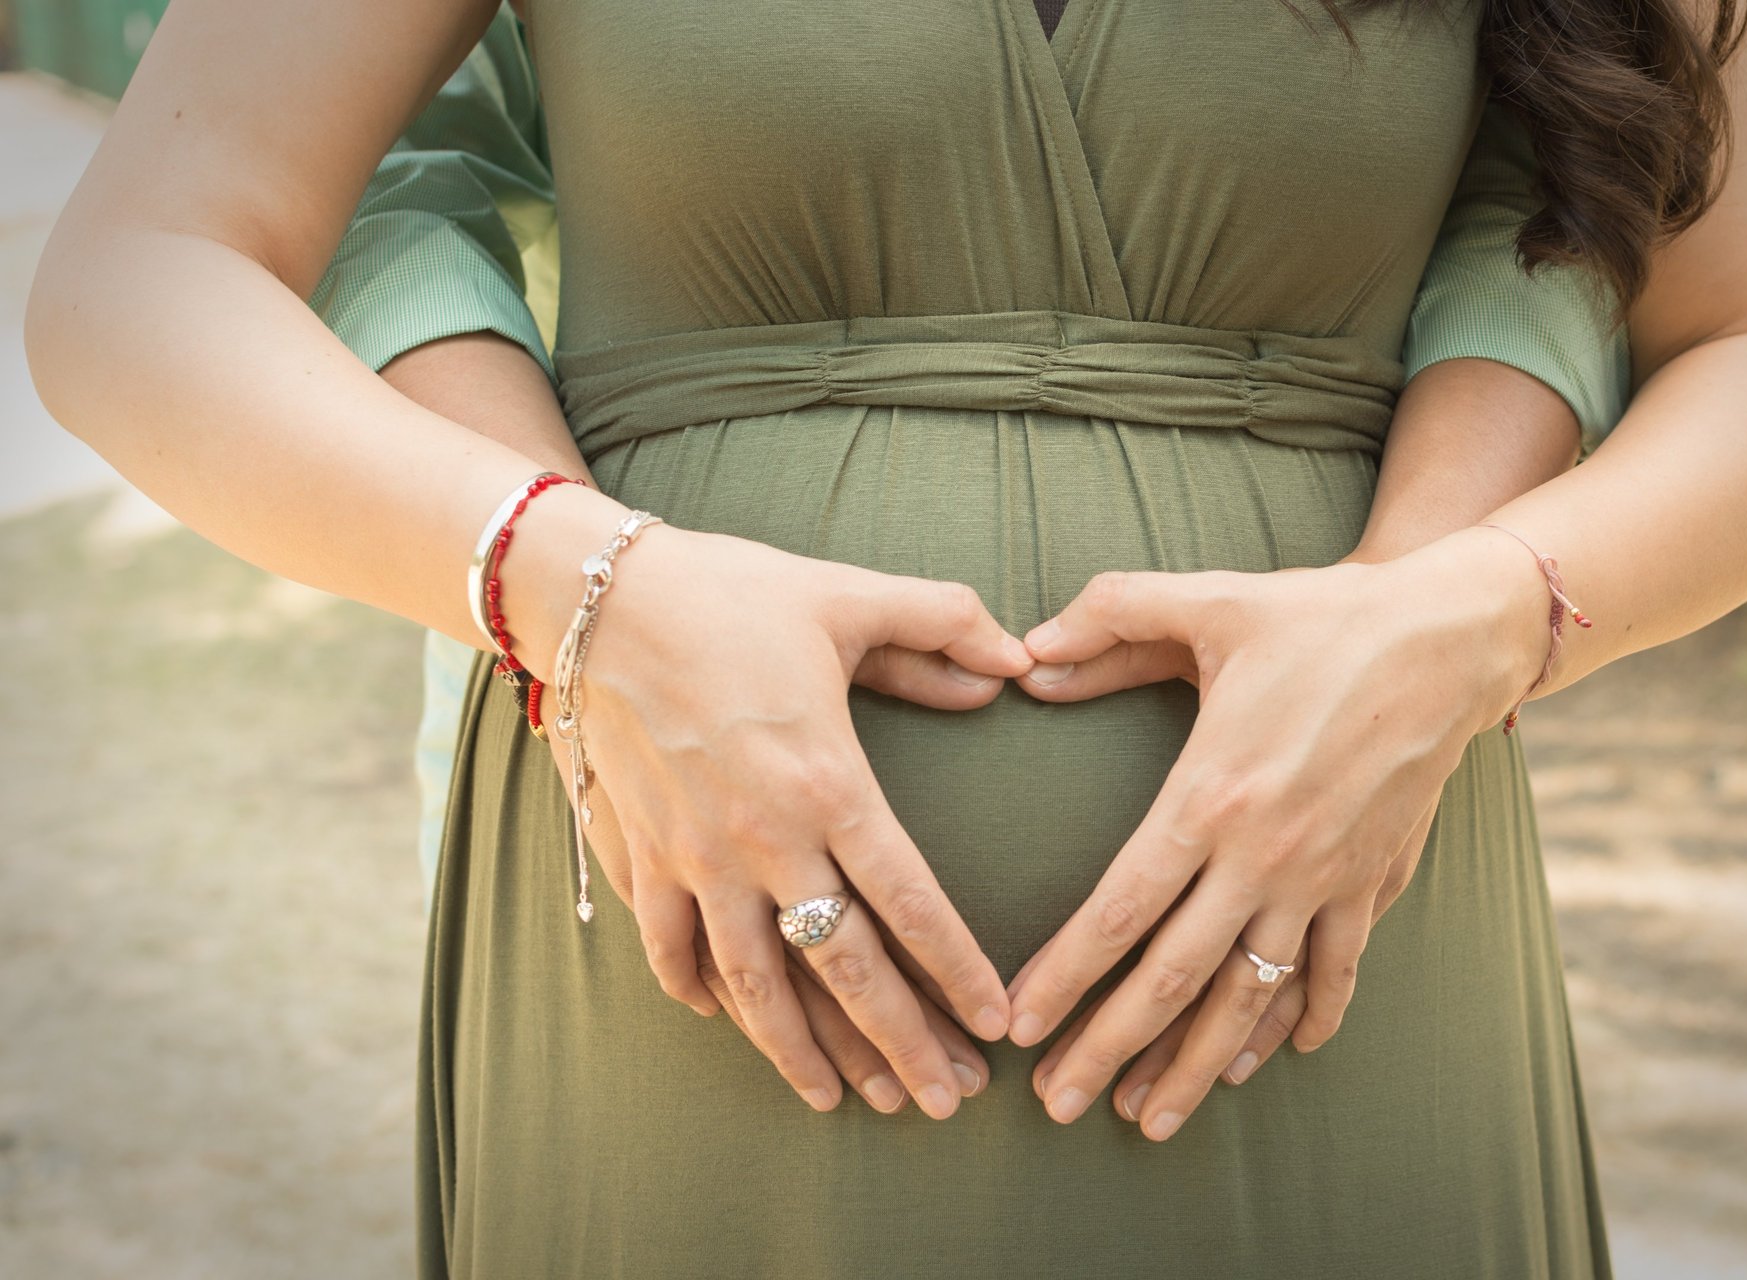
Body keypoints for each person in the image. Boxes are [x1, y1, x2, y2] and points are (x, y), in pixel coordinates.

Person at [25, 0, 1747, 1275]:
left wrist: (1466, 622)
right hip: (698, 999)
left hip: (1345, 953)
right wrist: (578, 588)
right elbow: (146, 274)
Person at [304, 1, 1629, 1069]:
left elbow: (1595, 210)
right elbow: (319, 187)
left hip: (1350, 885)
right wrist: (585, 590)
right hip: (684, 914)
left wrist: (1422, 626)